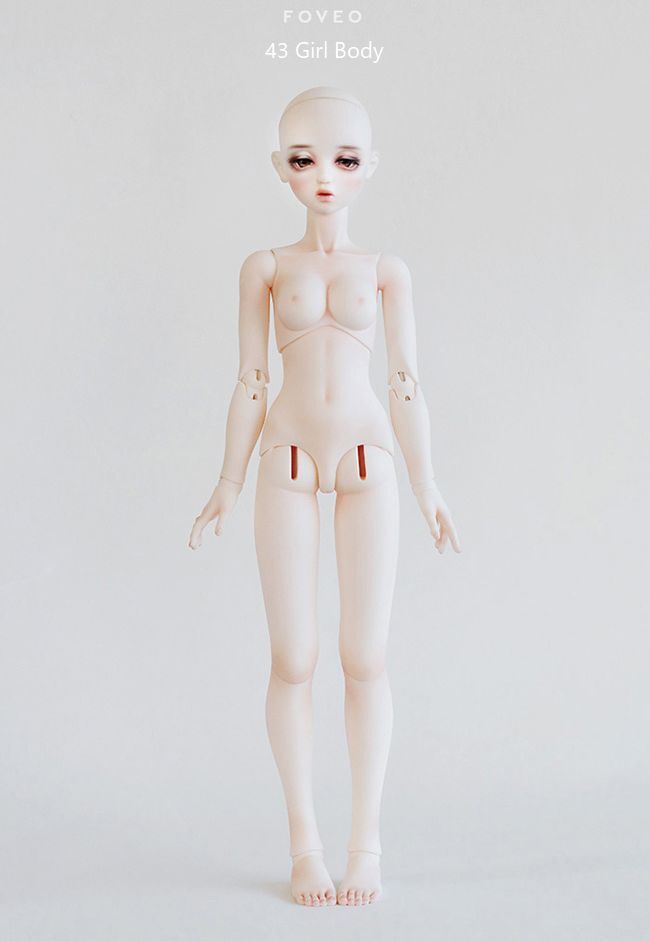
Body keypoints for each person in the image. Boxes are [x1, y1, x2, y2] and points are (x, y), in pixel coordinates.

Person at [189, 86, 461, 907]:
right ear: (281, 167)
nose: (325, 177)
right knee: (294, 657)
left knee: (365, 657)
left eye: (344, 160)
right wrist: (228, 479)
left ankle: (364, 843)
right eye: (305, 160)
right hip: (288, 458)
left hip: (370, 458)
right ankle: (305, 844)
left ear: (369, 167)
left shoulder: (386, 272)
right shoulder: (266, 268)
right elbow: (251, 377)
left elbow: (406, 381)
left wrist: (428, 483)